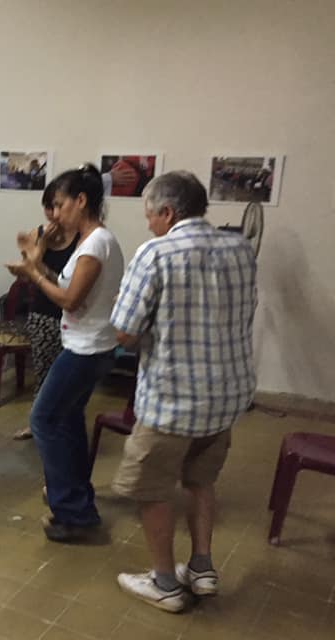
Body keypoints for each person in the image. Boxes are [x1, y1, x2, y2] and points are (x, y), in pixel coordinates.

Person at [112, 171, 257, 612]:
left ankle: (164, 583)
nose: (149, 224)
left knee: (152, 489)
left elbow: (124, 331)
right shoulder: (240, 249)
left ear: (168, 212)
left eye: (150, 216)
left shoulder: (155, 253)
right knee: (200, 480)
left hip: (172, 400)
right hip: (225, 397)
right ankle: (201, 567)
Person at [5, 164, 125, 542]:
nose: (55, 213)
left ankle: (71, 510)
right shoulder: (91, 242)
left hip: (88, 348)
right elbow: (65, 284)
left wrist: (32, 274)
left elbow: (70, 300)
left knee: (43, 419)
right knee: (68, 419)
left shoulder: (96, 243)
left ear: (81, 201)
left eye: (60, 204)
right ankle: (77, 500)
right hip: (85, 344)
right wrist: (36, 265)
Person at [12, 182, 80, 440]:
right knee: (43, 372)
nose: (53, 214)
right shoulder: (38, 233)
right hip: (43, 313)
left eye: (57, 206)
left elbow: (69, 286)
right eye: (48, 207)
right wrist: (38, 248)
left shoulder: (83, 238)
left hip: (71, 315)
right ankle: (37, 422)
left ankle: (63, 425)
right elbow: (28, 276)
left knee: (68, 379)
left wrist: (36, 266)